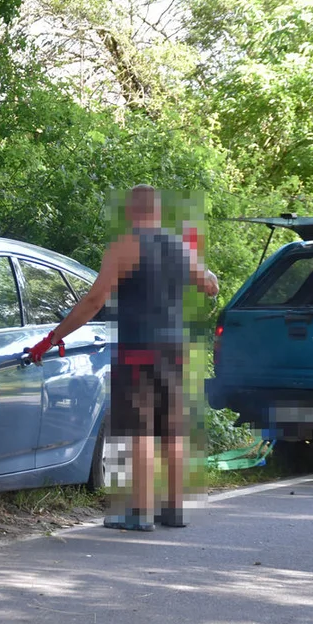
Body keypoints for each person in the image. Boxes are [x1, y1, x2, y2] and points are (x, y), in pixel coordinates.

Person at [27, 184, 219, 531]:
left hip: (138, 349)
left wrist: (54, 337)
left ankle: (138, 513)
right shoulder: (182, 248)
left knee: (139, 430)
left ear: (132, 211)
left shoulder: (124, 246)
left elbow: (94, 300)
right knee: (173, 431)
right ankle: (174, 510)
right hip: (176, 350)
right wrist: (207, 282)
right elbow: (209, 283)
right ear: (158, 212)